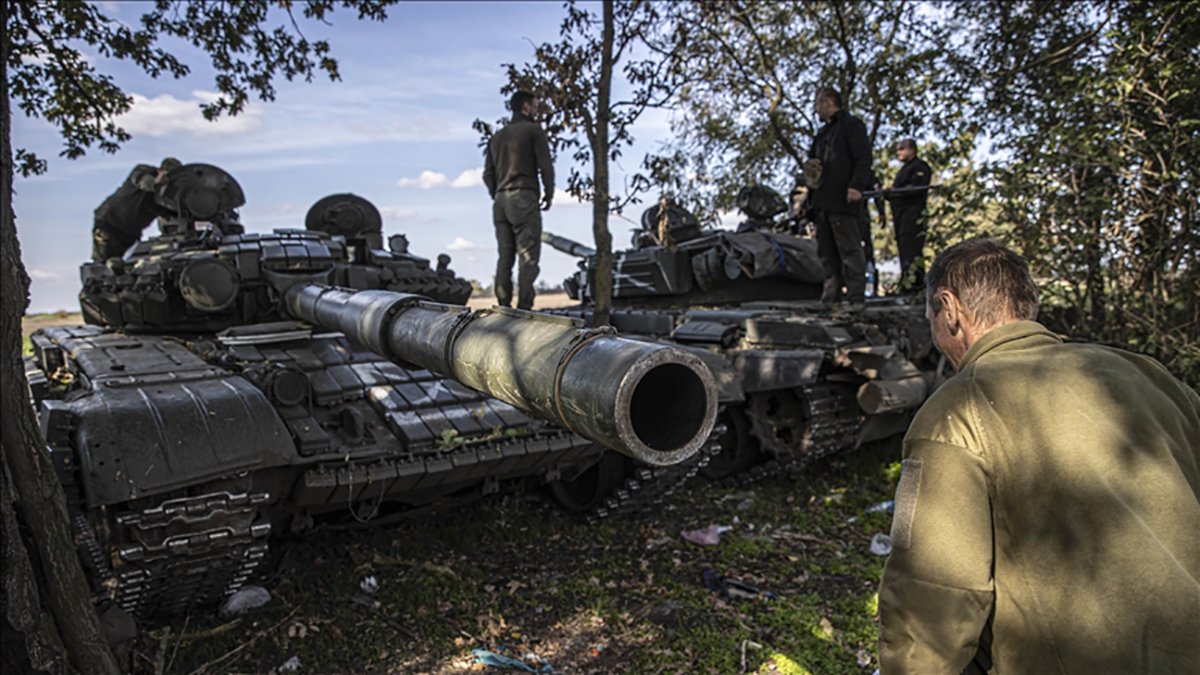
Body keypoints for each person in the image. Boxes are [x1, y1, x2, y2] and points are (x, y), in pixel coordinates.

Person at [877, 238, 1200, 674]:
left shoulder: (956, 408)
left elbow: (934, 591)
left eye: (932, 316)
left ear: (950, 309)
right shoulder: (1147, 374)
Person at [482, 90, 554, 310]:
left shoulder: (496, 138)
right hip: (523, 196)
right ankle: (524, 309)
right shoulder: (533, 131)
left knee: (505, 256)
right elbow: (545, 166)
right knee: (527, 256)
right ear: (525, 106)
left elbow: (487, 174)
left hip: (500, 202)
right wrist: (548, 193)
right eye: (535, 106)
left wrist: (498, 193)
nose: (537, 110)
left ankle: (503, 304)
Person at [807, 87, 873, 308]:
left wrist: (856, 186)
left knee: (850, 248)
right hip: (823, 201)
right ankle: (831, 295)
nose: (816, 108)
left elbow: (863, 157)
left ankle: (856, 296)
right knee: (826, 251)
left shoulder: (852, 126)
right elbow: (813, 169)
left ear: (828, 102)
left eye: (818, 103)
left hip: (844, 199)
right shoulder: (822, 135)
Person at [92, 157, 181, 261]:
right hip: (109, 224)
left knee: (127, 267)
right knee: (106, 265)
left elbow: (171, 213)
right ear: (160, 170)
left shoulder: (163, 197)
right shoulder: (143, 171)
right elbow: (143, 181)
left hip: (130, 234)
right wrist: (156, 183)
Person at [885, 139, 931, 294]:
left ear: (912, 150)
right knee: (904, 250)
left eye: (902, 149)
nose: (899, 152)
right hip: (901, 217)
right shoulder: (904, 170)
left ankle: (915, 286)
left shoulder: (920, 167)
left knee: (912, 251)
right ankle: (907, 283)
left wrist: (896, 192)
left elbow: (915, 189)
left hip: (913, 216)